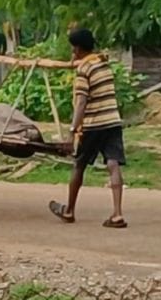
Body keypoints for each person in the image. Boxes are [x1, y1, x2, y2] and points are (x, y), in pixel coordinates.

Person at [49, 28, 127, 228]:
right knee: (113, 164)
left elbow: (81, 103)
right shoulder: (103, 63)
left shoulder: (84, 69)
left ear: (77, 48)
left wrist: (72, 131)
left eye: (73, 49)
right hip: (113, 120)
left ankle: (69, 211)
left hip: (94, 124)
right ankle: (117, 214)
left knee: (79, 164)